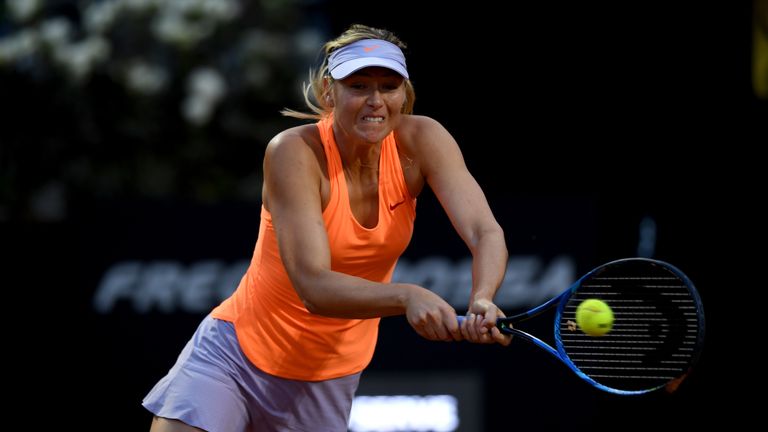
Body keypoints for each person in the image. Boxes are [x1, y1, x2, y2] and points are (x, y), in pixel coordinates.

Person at [143, 23, 511, 432]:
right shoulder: (293, 152)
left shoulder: (425, 140)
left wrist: (482, 298)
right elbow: (313, 287)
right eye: (359, 86)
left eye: (389, 87)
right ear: (328, 92)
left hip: (328, 376)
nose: (375, 100)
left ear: (404, 94)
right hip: (236, 354)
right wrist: (407, 296)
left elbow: (485, 232)